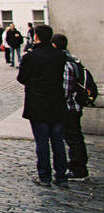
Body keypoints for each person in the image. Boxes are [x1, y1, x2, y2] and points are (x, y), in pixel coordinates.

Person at [18, 25, 69, 188]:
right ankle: (61, 176)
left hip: (38, 103)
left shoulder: (30, 57)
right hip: (57, 102)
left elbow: (21, 78)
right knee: (58, 142)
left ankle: (44, 176)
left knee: (42, 142)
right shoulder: (60, 56)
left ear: (37, 37)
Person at [53, 34, 89, 181]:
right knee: (75, 137)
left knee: (73, 138)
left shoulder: (65, 64)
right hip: (74, 106)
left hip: (69, 107)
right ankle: (78, 165)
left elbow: (65, 90)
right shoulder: (73, 58)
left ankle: (78, 168)